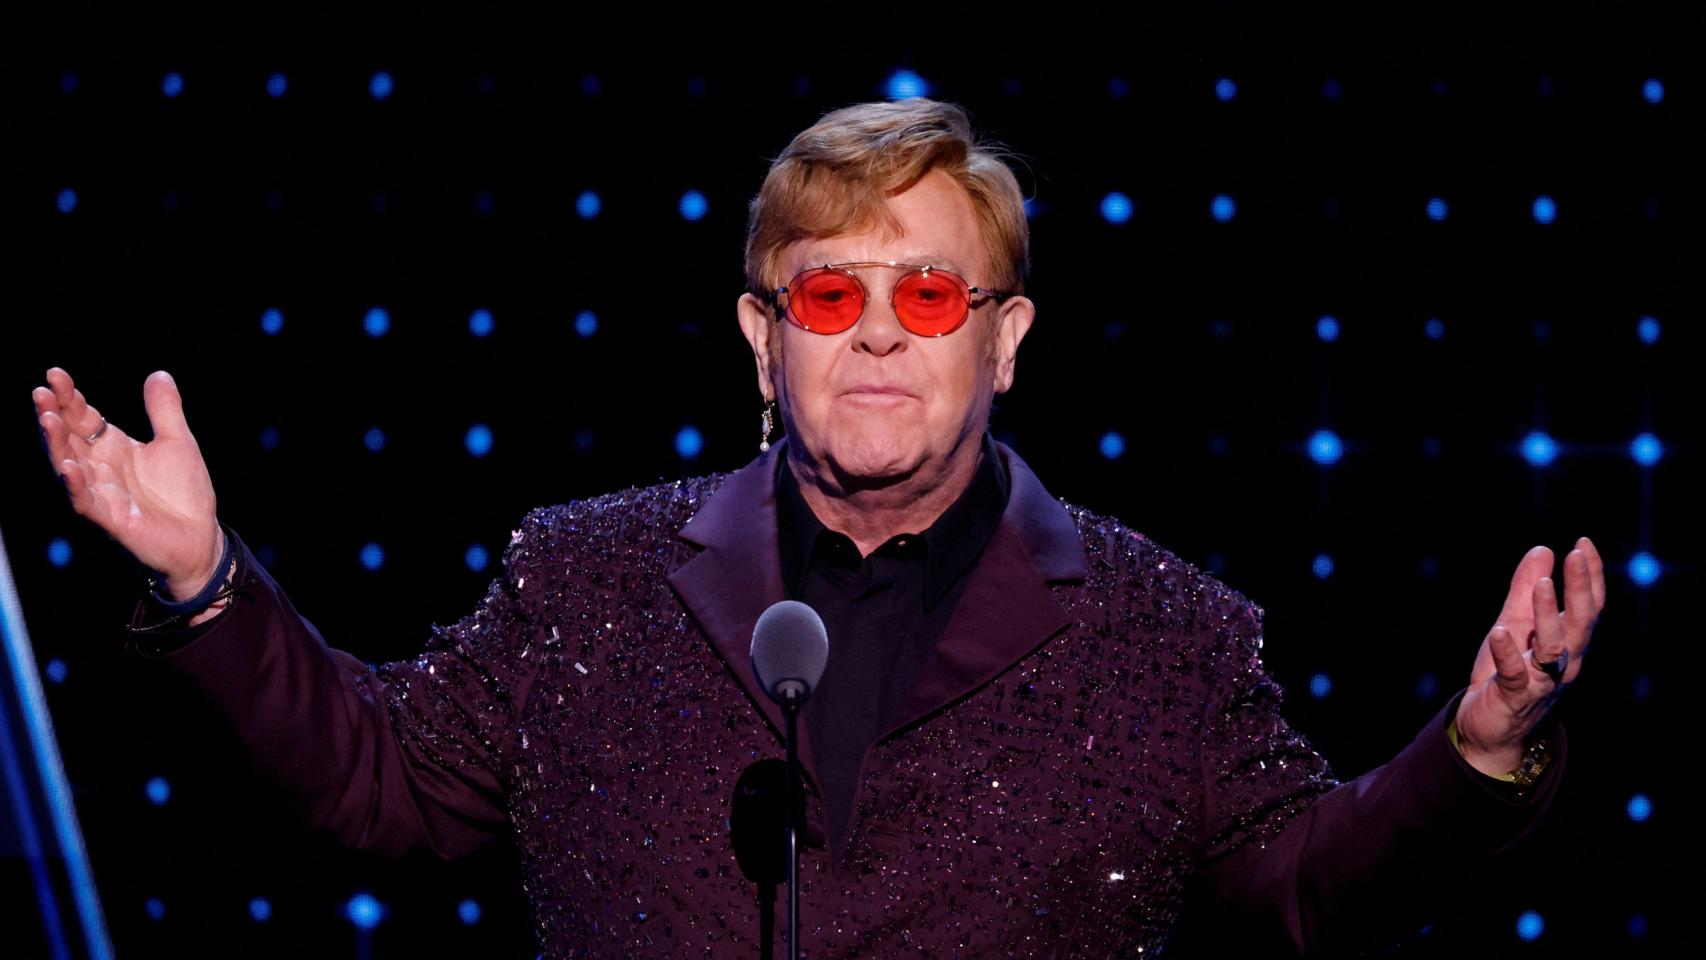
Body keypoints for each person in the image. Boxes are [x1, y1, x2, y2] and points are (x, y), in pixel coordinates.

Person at [32, 99, 1603, 958]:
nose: (879, 331)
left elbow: (1304, 888)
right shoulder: (582, 578)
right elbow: (382, 786)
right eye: (829, 295)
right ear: (761, 340)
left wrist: (1474, 754)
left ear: (1003, 339)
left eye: (928, 292)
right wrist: (206, 581)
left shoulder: (1162, 630)